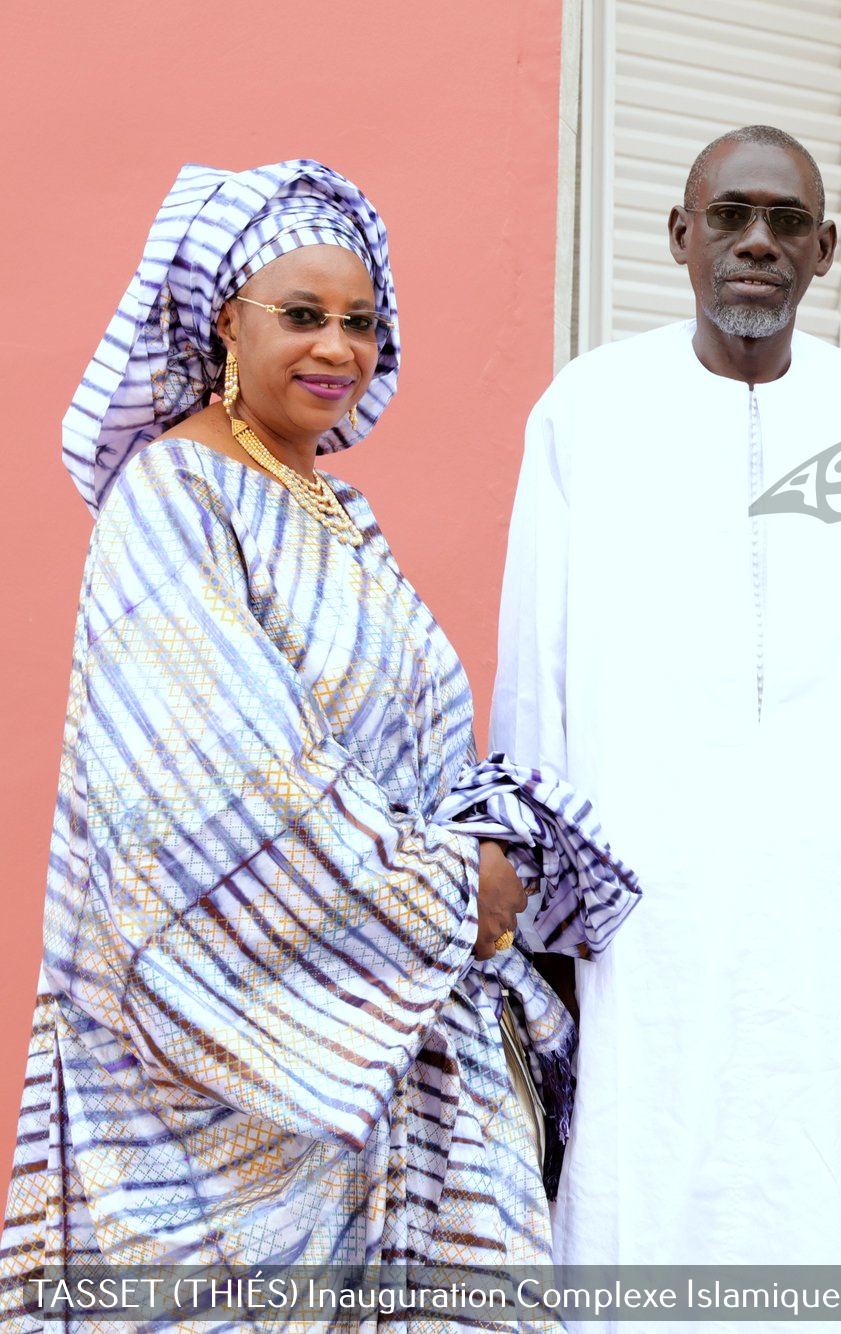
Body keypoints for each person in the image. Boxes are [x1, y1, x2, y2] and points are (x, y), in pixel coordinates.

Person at [0, 160, 640, 1324]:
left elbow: (422, 741)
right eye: (302, 315)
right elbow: (212, 791)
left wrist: (493, 844)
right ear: (224, 323)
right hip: (207, 1078)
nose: (336, 346)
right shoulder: (171, 498)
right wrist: (455, 883)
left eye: (360, 320)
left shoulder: (341, 510)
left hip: (390, 1034)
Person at [491, 125, 841, 1277]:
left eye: (786, 222)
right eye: (728, 216)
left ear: (824, 249)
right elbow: (533, 671)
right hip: (642, 906)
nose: (755, 243)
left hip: (836, 907)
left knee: (828, 1180)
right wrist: (542, 916)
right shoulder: (586, 409)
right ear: (679, 236)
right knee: (642, 1178)